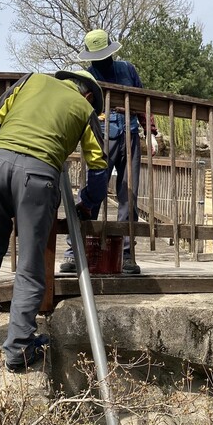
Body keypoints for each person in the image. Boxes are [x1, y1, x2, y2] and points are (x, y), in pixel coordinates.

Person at [0, 70, 108, 372]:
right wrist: (88, 202)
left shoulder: (32, 79)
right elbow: (99, 165)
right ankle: (19, 348)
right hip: (38, 175)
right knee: (29, 263)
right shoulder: (85, 109)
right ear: (89, 95)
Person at [60, 29, 158, 276]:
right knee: (95, 189)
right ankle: (74, 251)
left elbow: (141, 101)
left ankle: (126, 254)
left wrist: (152, 132)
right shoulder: (87, 76)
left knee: (129, 193)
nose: (100, 60)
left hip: (130, 133)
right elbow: (78, 109)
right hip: (101, 134)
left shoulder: (128, 70)